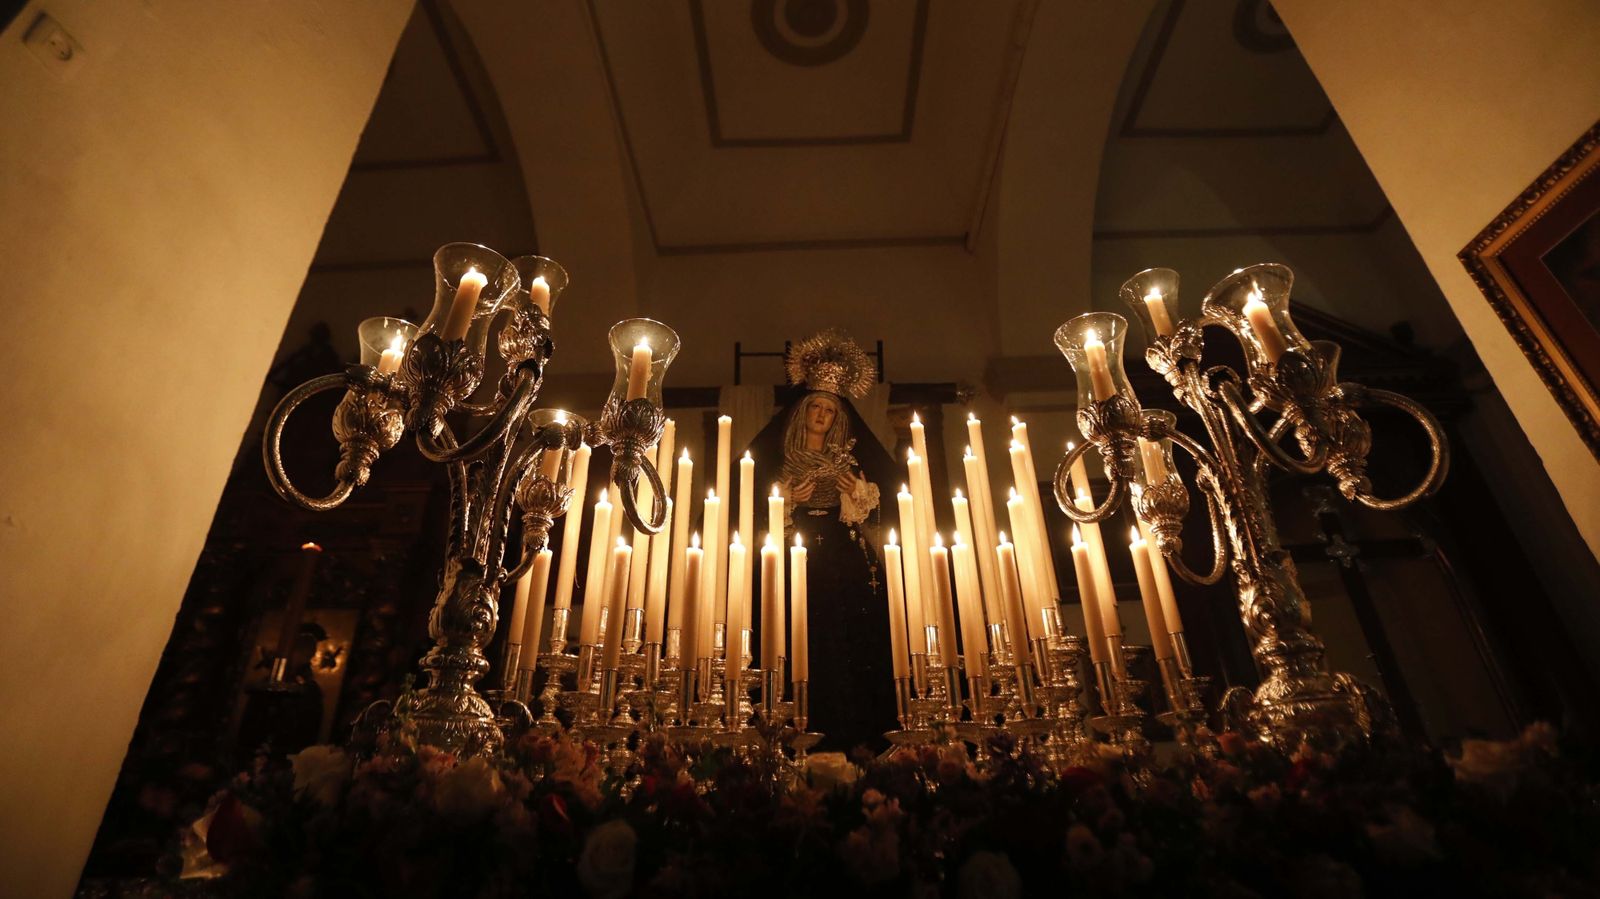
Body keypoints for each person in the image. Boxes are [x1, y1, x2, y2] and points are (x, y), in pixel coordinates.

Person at [744, 330, 898, 753]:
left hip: (839, 547)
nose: (821, 415)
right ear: (802, 412)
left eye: (829, 410)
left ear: (837, 419)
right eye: (815, 406)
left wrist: (854, 489)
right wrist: (786, 499)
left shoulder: (845, 458)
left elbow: (873, 503)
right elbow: (753, 500)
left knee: (848, 627)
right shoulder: (778, 458)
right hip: (794, 544)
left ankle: (852, 723)